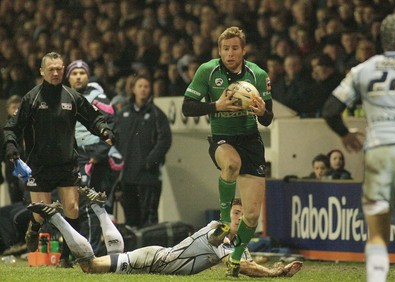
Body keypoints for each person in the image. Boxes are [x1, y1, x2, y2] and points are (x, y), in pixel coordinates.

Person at [27, 189, 302, 278]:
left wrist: (271, 265)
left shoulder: (233, 243)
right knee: (90, 266)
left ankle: (99, 209)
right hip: (155, 260)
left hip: (156, 258)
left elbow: (245, 261)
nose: (240, 219)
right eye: (236, 214)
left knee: (114, 255)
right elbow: (240, 265)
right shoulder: (218, 231)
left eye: (244, 215)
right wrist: (274, 274)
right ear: (227, 214)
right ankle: (58, 218)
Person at [2, 52, 115, 264]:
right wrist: (11, 147)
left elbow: (93, 118)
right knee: (42, 214)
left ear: (63, 70)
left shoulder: (72, 97)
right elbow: (11, 127)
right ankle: (33, 228)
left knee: (72, 209)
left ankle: (67, 256)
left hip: (67, 163)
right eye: (51, 69)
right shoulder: (31, 98)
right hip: (39, 165)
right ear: (42, 72)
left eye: (59, 69)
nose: (56, 73)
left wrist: (104, 131)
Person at [181, 26, 274, 277]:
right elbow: (187, 108)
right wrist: (216, 105)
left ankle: (235, 258)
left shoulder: (258, 74)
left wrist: (263, 112)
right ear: (219, 50)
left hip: (251, 142)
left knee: (252, 215)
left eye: (234, 48)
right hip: (223, 139)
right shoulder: (207, 71)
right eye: (225, 49)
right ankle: (223, 221)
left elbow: (268, 119)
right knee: (231, 164)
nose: (229, 53)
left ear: (243, 50)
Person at [322, 14, 395, 282]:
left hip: (379, 153)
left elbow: (330, 110)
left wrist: (345, 134)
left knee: (378, 232)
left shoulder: (363, 70)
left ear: (382, 39)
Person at [65, 59, 116, 262]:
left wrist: (99, 153)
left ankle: (91, 253)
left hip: (92, 156)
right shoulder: (64, 96)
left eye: (82, 73)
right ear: (68, 77)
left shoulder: (98, 96)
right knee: (71, 204)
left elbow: (111, 124)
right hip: (72, 155)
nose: (78, 76)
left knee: (90, 205)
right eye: (74, 73)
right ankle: (73, 252)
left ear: (88, 76)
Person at [115, 74, 172, 229]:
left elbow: (165, 141)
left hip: (149, 178)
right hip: (127, 177)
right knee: (130, 223)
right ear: (133, 89)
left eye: (146, 86)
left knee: (149, 222)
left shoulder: (157, 115)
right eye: (140, 86)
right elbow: (116, 142)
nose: (143, 89)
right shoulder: (123, 115)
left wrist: (149, 163)